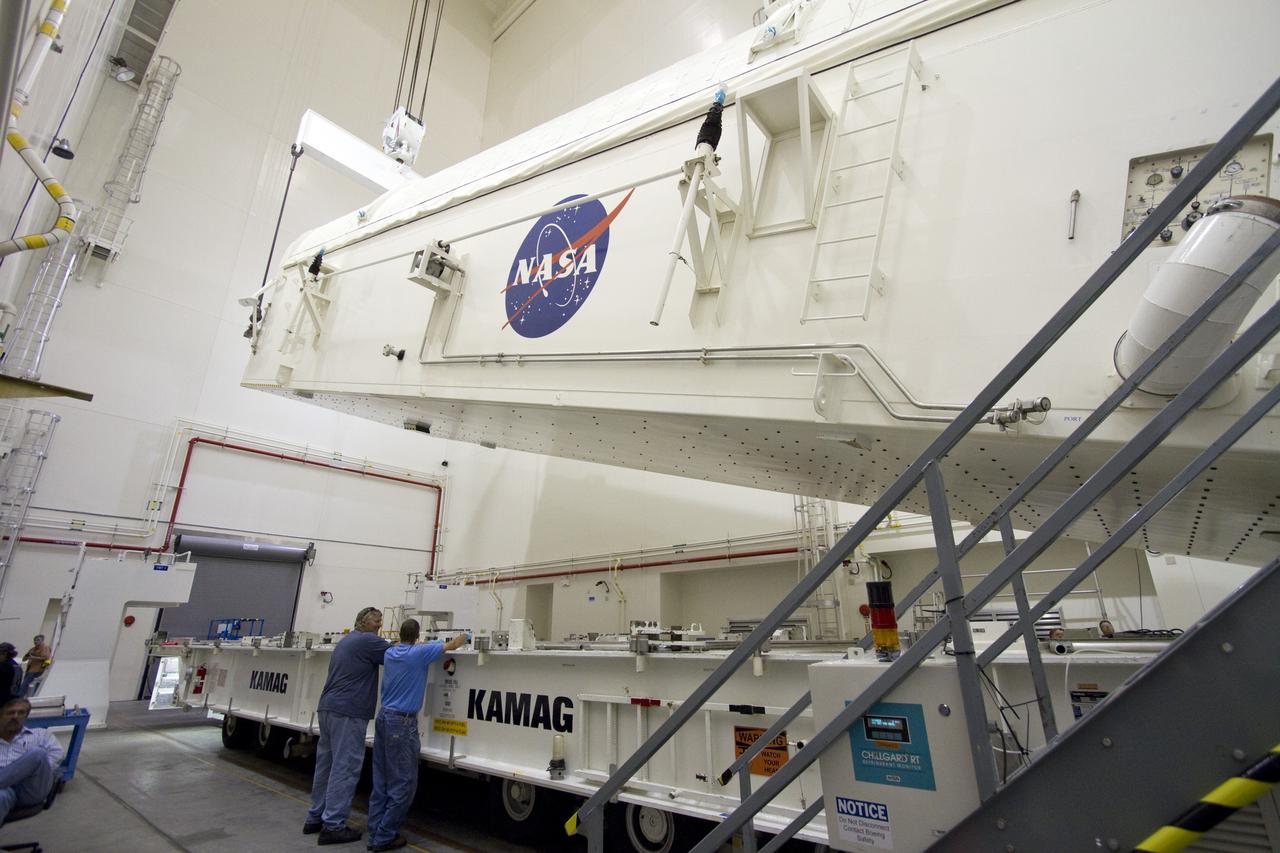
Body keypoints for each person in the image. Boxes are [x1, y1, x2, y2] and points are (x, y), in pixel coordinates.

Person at [366, 620, 467, 852]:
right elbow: (453, 645)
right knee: (403, 783)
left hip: (383, 719)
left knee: (381, 780)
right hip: (402, 723)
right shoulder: (420, 653)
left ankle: (375, 830)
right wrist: (466, 635)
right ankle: (384, 837)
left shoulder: (391, 653)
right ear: (417, 635)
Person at [305, 607, 391, 846]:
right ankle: (333, 825)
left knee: (326, 764)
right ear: (365, 623)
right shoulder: (368, 642)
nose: (379, 626)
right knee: (345, 767)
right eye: (376, 622)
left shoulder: (347, 641)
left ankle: (315, 816)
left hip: (329, 708)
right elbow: (399, 655)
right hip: (349, 712)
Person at [0, 697, 63, 825]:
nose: (15, 717)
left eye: (21, 713)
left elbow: (57, 755)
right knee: (1, 796)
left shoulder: (41, 735)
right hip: (6, 791)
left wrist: (27, 769)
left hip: (30, 788)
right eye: (11, 712)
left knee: (37, 754)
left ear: (26, 716)